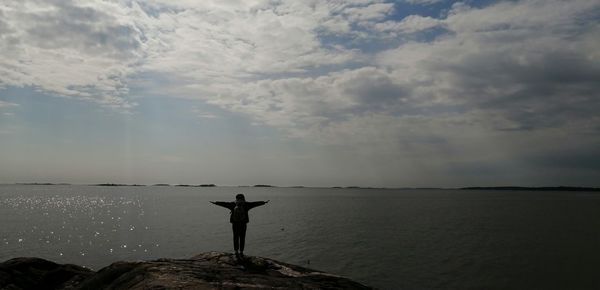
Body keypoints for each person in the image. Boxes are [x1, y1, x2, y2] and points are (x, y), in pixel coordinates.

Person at [210, 194, 269, 259]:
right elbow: (255, 204)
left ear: (236, 198)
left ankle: (236, 252)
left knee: (235, 237)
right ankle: (241, 252)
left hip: (235, 224)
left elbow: (224, 204)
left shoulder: (233, 204)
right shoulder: (247, 204)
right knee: (242, 238)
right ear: (244, 198)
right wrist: (264, 202)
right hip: (243, 224)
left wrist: (215, 202)